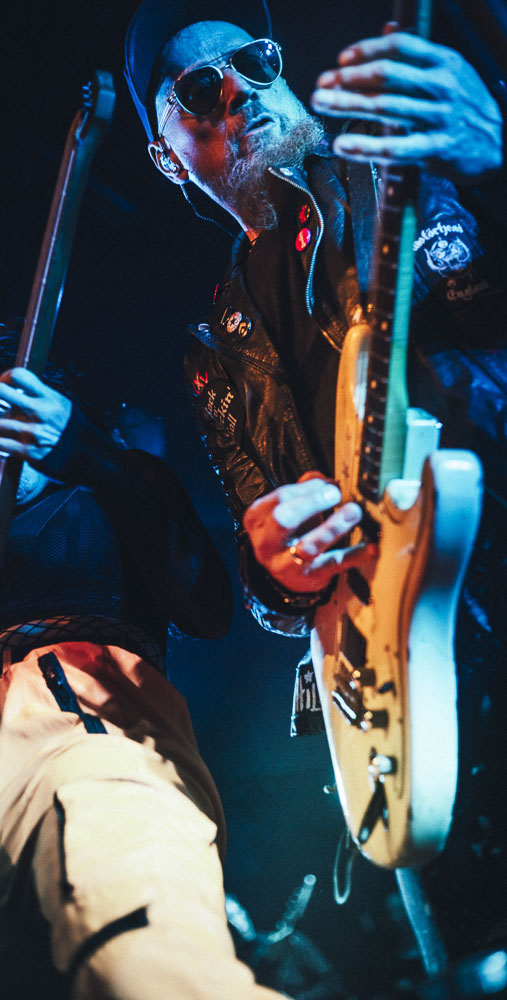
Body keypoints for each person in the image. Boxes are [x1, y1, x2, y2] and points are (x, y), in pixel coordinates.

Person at [124, 0, 507, 979]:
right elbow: (265, 585)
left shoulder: (403, 172)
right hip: (395, 679)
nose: (236, 90)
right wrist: (277, 564)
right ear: (166, 156)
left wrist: (497, 159)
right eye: (196, 88)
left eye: (252, 60)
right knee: (474, 966)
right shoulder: (215, 346)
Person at [0, 317, 291, 999]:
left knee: (144, 962)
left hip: (93, 746)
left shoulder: (106, 491)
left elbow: (209, 611)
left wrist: (84, 447)